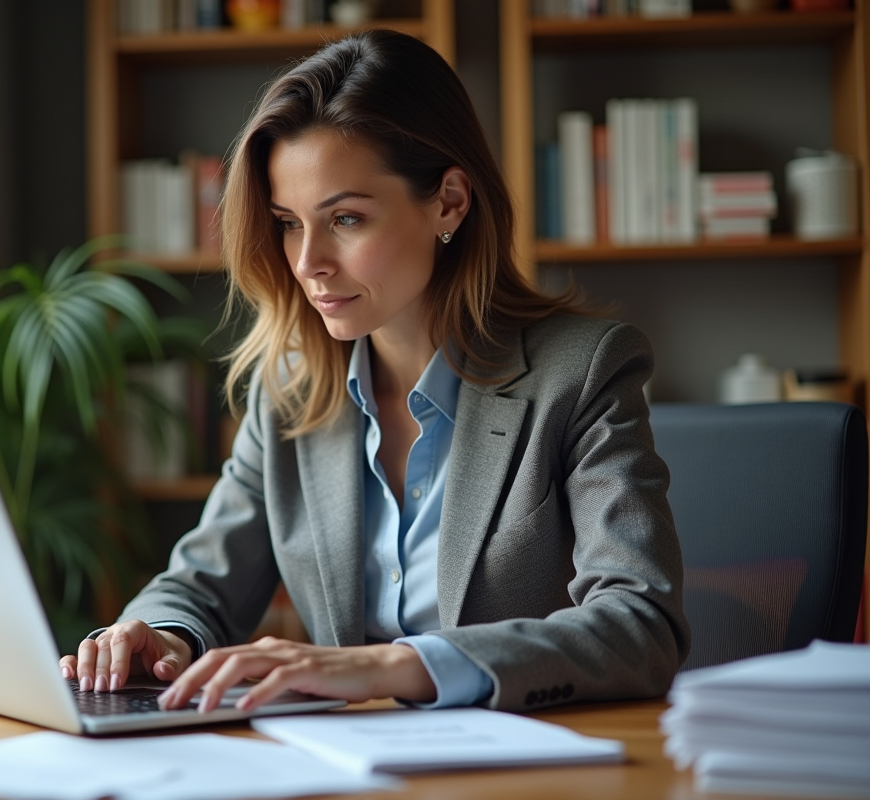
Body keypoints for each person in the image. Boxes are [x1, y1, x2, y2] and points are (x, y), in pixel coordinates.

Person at [60, 29, 690, 714]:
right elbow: (200, 586)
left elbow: (641, 624)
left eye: (347, 219)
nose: (307, 262)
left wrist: (394, 666)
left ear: (449, 201)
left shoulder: (582, 371)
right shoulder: (290, 392)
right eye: (288, 223)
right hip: (344, 767)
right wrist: (162, 636)